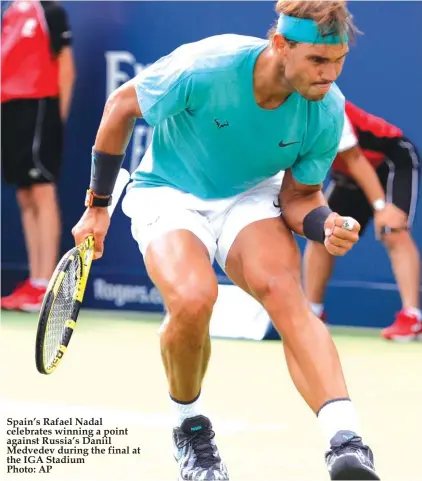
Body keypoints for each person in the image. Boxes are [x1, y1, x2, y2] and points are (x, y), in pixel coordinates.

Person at [72, 2, 380, 480]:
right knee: (194, 299)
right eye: (318, 60)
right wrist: (96, 207)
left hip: (250, 194)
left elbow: (300, 196)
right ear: (281, 45)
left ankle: (347, 443)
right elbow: (121, 107)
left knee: (284, 293)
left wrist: (326, 226)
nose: (330, 74)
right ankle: (190, 428)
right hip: (169, 191)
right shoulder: (206, 66)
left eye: (339, 59)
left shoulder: (327, 109)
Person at [304, 101, 421, 341]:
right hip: (348, 171)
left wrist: (380, 207)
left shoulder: (327, 106)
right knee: (324, 232)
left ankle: (412, 317)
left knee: (392, 229)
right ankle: (312, 313)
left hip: (391, 161)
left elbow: (356, 159)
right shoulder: (281, 114)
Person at [1, 0, 75, 312]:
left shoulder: (50, 11)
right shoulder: (10, 11)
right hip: (11, 108)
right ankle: (34, 281)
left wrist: (57, 121)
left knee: (42, 192)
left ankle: (47, 285)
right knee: (24, 195)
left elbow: (66, 67)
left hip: (40, 107)